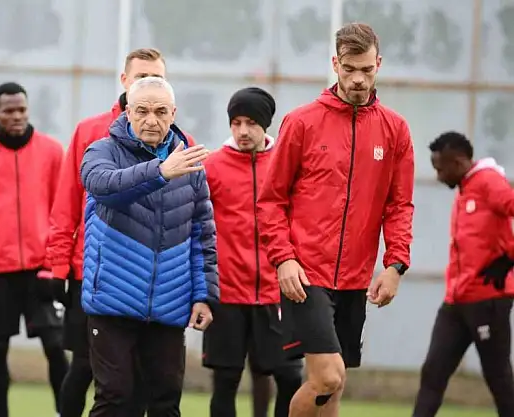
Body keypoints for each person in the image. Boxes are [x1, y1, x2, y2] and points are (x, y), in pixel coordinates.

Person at [258, 22, 414, 417]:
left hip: (355, 278)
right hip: (305, 275)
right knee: (328, 377)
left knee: (335, 385)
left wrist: (395, 264)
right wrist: (283, 258)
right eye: (349, 69)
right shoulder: (301, 122)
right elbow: (271, 200)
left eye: (366, 69)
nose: (358, 78)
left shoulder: (395, 130)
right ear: (335, 64)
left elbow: (399, 205)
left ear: (378, 64)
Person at [46, 47, 194, 417]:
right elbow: (67, 204)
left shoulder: (180, 144)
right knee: (85, 368)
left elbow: (194, 218)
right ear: (125, 81)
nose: (149, 83)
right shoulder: (93, 133)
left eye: (157, 78)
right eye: (142, 77)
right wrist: (57, 266)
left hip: (154, 284)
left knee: (142, 381)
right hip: (92, 272)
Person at [80, 76, 219, 416]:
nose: (151, 120)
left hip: (170, 303)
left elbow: (202, 234)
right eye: (142, 111)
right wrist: (160, 171)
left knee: (165, 401)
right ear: (128, 112)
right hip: (111, 300)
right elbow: (102, 186)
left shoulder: (190, 165)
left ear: (173, 113)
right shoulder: (103, 150)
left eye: (160, 111)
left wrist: (204, 295)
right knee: (115, 397)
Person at [0, 81, 68, 417]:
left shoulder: (52, 152)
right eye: (9, 111)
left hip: (41, 271)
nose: (17, 116)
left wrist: (53, 266)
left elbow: (62, 214)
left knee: (56, 346)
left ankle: (64, 412)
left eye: (21, 109)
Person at [202, 87, 303, 417]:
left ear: (265, 124)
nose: (243, 131)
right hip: (227, 294)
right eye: (236, 123)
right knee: (225, 380)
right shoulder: (212, 167)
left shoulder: (285, 164)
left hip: (276, 293)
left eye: (251, 123)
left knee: (289, 376)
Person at [412, 131, 514, 416]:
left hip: (487, 299)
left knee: (498, 377)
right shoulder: (466, 188)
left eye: (440, 169)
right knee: (433, 373)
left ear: (457, 163)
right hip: (456, 301)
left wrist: (509, 259)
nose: (438, 176)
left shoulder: (489, 182)